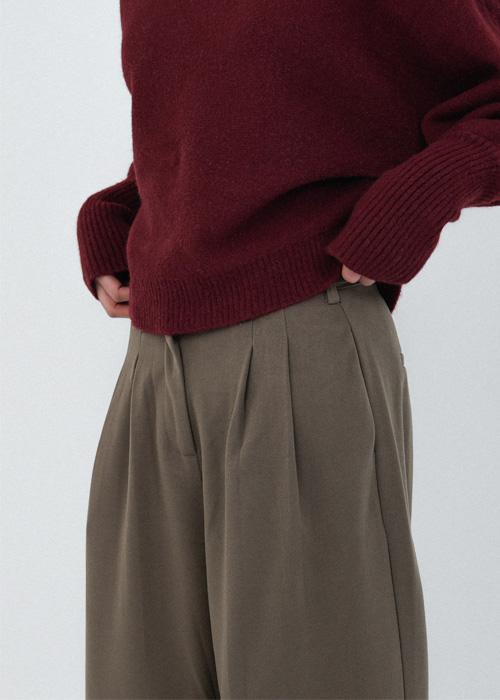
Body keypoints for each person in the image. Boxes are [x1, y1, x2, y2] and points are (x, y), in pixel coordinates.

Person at [76, 2, 500, 699]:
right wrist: (125, 206)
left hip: (300, 343)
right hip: (151, 366)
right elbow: (243, 112)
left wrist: (413, 201)